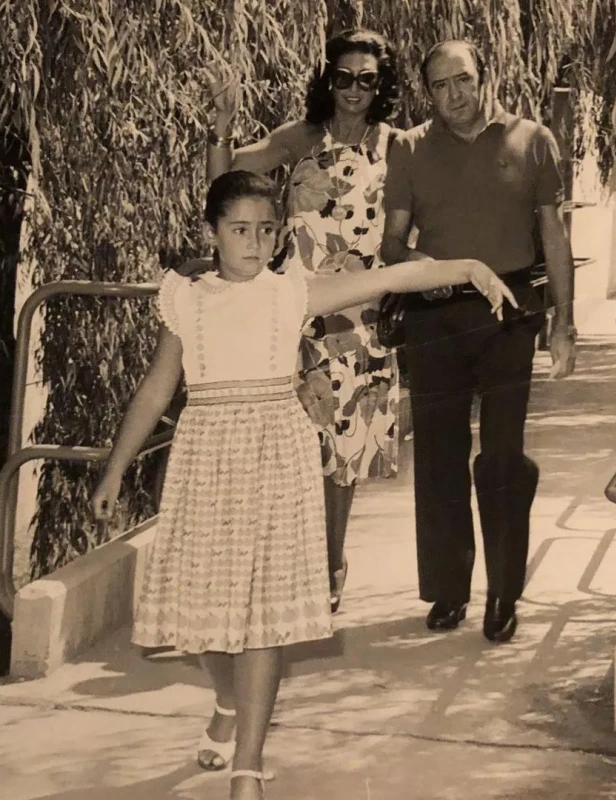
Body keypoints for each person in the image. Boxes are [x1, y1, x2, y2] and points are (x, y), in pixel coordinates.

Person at [91, 170, 515, 799]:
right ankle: (229, 702)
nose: (254, 243)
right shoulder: (185, 298)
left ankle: (248, 765)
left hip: (276, 455)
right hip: (206, 456)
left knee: (262, 618)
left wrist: (472, 266)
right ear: (212, 233)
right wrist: (116, 467)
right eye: (239, 230)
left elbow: (391, 276)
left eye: (266, 230)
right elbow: (157, 388)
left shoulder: (289, 292)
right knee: (206, 612)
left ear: (279, 234)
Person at [381, 39, 577, 644]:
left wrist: (564, 322)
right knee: (438, 455)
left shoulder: (533, 140)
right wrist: (435, 271)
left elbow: (554, 236)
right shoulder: (409, 148)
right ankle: (447, 590)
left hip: (511, 312)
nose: (453, 96)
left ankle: (503, 594)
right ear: (428, 93)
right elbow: (390, 247)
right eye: (439, 86)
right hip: (435, 314)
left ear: (483, 77)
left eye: (461, 80)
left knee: (501, 457)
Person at [204, 29, 401, 618]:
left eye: (366, 79)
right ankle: (274, 567)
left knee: (341, 451)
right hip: (289, 312)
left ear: (380, 84)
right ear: (328, 78)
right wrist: (221, 125)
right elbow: (224, 183)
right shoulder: (300, 138)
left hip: (360, 316)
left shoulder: (399, 145)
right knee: (283, 442)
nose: (354, 90)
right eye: (344, 76)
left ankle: (330, 564)